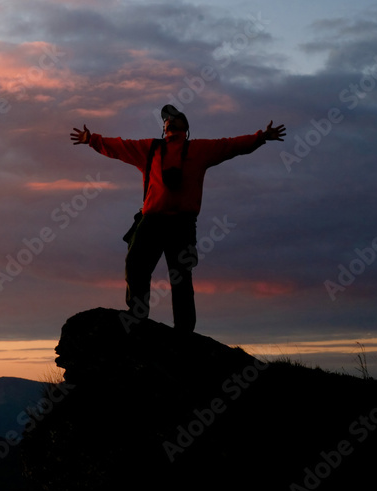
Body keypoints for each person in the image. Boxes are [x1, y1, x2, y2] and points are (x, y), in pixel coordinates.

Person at [69, 105, 286, 333]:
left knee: (180, 278)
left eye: (175, 118)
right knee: (135, 266)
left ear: (186, 126)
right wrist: (91, 139)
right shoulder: (150, 149)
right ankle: (137, 316)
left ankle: (184, 332)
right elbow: (120, 146)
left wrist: (261, 137)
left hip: (182, 225)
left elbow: (230, 146)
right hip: (152, 221)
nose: (169, 121)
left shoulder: (200, 149)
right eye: (166, 119)